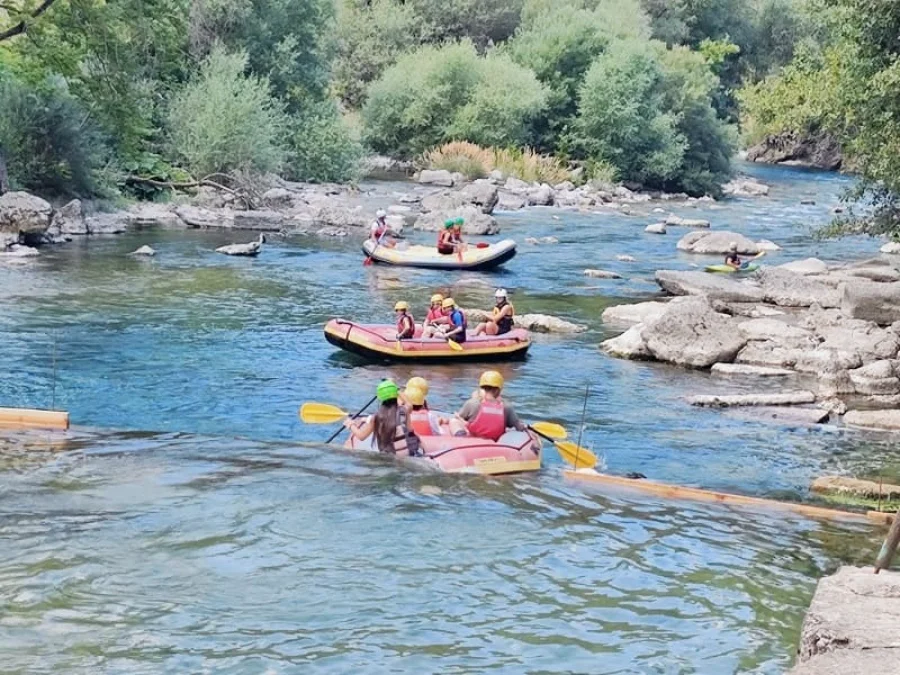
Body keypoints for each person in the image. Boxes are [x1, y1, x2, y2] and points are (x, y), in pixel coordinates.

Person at [344, 380, 421, 455]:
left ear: (380, 398)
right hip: (410, 453)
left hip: (391, 458)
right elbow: (409, 403)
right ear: (396, 395)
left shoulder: (376, 418)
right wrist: (395, 389)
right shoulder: (404, 411)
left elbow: (361, 436)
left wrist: (351, 425)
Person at [450, 370, 527, 441]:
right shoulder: (507, 407)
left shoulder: (472, 403)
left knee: (454, 421)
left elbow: (461, 418)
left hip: (473, 438)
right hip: (495, 440)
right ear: (498, 390)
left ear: (482, 388)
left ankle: (461, 438)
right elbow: (518, 427)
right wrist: (524, 426)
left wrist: (458, 418)